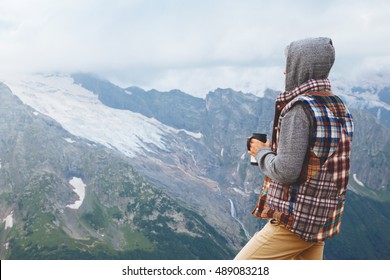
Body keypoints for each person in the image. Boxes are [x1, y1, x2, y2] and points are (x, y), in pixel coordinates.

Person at [234, 37, 354, 260]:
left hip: (293, 222)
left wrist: (261, 152)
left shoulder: (300, 109)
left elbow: (286, 172)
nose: (284, 71)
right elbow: (317, 158)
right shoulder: (337, 105)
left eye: (288, 63)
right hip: (321, 220)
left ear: (301, 66)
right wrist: (276, 150)